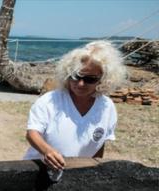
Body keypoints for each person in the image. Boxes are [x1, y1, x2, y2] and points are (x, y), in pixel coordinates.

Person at [24, 40, 127, 171]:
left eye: (90, 79)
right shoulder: (49, 101)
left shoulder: (107, 107)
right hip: (40, 169)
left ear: (103, 79)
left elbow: (100, 143)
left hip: (78, 172)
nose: (80, 84)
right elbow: (32, 133)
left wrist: (95, 167)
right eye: (75, 76)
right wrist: (47, 151)